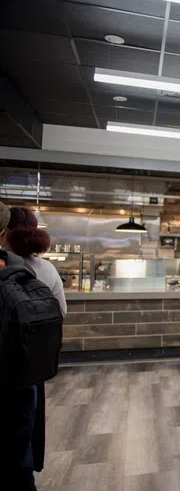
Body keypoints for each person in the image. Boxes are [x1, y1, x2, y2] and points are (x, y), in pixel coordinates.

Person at [0, 205, 67, 491]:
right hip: (28, 371)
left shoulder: (9, 265)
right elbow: (61, 311)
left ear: (6, 234)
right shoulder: (44, 268)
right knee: (20, 447)